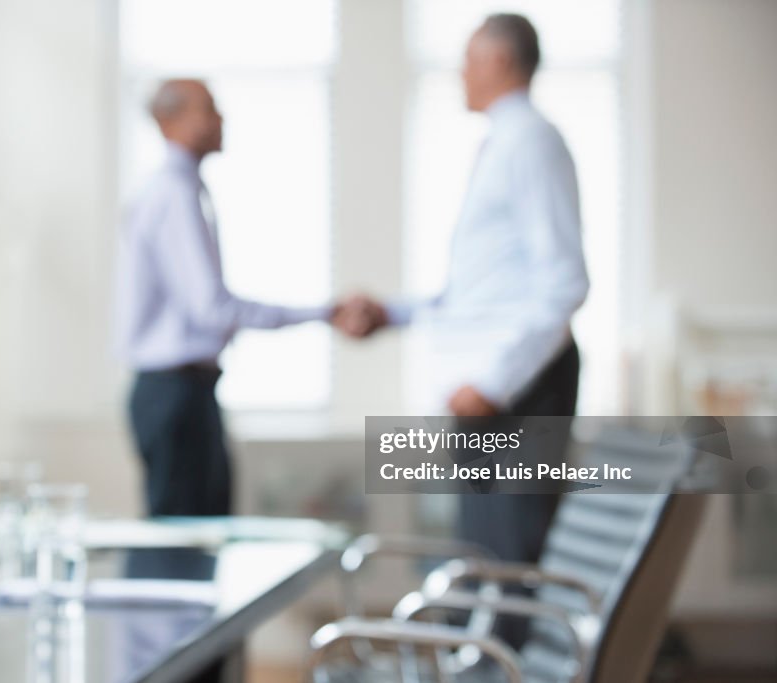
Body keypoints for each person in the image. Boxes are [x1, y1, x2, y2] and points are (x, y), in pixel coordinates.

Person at [337, 13, 589, 647]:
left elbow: (564, 284)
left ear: (502, 62)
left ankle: (503, 669)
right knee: (482, 559)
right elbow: (478, 297)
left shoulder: (531, 141)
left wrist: (494, 384)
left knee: (507, 562)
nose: (461, 73)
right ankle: (484, 665)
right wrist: (392, 313)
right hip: (491, 396)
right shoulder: (501, 145)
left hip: (516, 392)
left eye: (470, 59)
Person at [116, 79, 347, 519]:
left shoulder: (181, 191)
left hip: (187, 390)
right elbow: (212, 309)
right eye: (209, 109)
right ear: (172, 121)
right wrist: (323, 313)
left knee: (203, 530)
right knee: (182, 542)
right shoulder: (172, 195)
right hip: (173, 393)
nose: (221, 119)